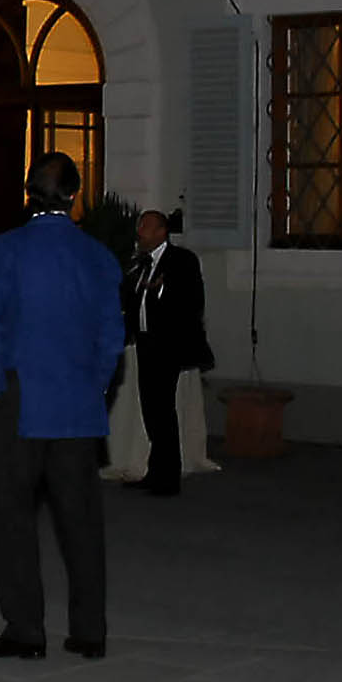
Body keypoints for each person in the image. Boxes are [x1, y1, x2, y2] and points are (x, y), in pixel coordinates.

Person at [0, 152, 125, 661]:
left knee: (15, 515)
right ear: (74, 195)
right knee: (80, 519)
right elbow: (111, 338)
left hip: (20, 396)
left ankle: (26, 628)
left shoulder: (10, 249)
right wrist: (95, 386)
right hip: (77, 400)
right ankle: (89, 629)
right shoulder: (98, 256)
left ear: (29, 192)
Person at [122, 209, 212, 497]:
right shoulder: (139, 263)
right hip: (146, 343)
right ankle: (155, 470)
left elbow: (193, 300)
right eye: (140, 227)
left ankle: (168, 476)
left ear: (162, 231)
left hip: (169, 345)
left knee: (163, 409)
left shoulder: (182, 260)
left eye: (145, 227)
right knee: (150, 408)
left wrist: (162, 290)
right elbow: (130, 298)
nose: (140, 233)